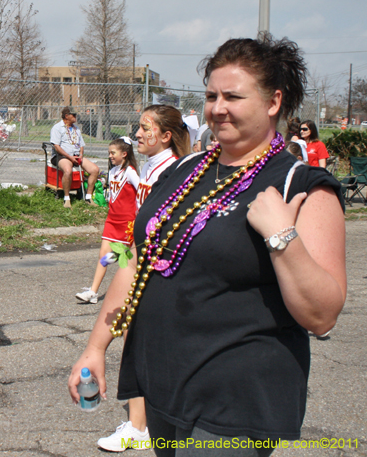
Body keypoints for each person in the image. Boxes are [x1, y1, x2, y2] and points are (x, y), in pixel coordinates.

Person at [69, 35, 346, 456]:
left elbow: (322, 316)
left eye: (233, 96)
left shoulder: (300, 186)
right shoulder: (180, 170)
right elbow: (134, 258)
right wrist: (95, 347)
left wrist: (281, 237)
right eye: (212, 95)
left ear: (273, 102)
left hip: (233, 400)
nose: (218, 108)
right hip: (163, 384)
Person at [93, 103, 191, 452]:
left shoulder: (173, 169)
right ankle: (144, 419)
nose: (137, 135)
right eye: (138, 127)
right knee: (132, 337)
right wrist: (122, 254)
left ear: (166, 136)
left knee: (133, 336)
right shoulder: (152, 166)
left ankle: (140, 426)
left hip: (160, 272)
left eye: (145, 129)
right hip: (143, 262)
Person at [75, 137, 139, 304]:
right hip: (112, 220)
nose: (110, 156)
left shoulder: (130, 172)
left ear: (124, 154)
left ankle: (135, 292)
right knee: (103, 255)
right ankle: (93, 292)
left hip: (127, 222)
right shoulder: (112, 172)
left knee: (123, 257)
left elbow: (142, 193)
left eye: (113, 153)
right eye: (109, 153)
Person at [50, 106, 100, 208]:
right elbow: (56, 147)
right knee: (68, 171)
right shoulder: (57, 128)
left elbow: (81, 144)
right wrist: (69, 157)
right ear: (66, 116)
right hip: (62, 156)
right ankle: (67, 198)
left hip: (76, 155)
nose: (76, 117)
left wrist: (81, 155)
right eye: (74, 115)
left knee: (95, 169)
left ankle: (88, 197)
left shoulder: (76, 128)